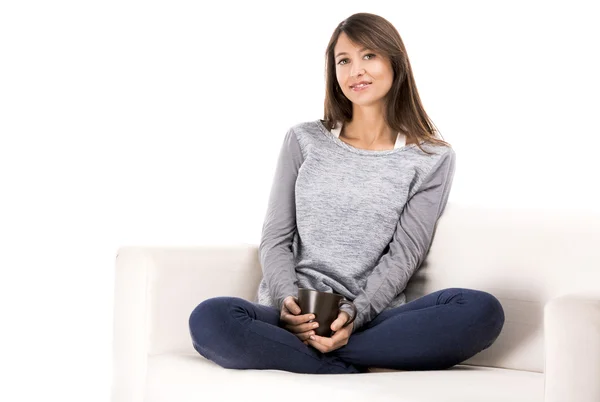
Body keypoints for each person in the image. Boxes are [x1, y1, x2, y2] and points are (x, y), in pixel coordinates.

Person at [189, 12, 505, 374]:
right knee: (211, 318)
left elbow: (404, 255)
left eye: (369, 55)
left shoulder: (431, 157)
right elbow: (276, 238)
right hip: (291, 315)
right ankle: (342, 365)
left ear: (395, 62)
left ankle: (324, 356)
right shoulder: (304, 139)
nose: (356, 70)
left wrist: (354, 316)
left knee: (481, 310)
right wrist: (286, 303)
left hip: (370, 320)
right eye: (344, 60)